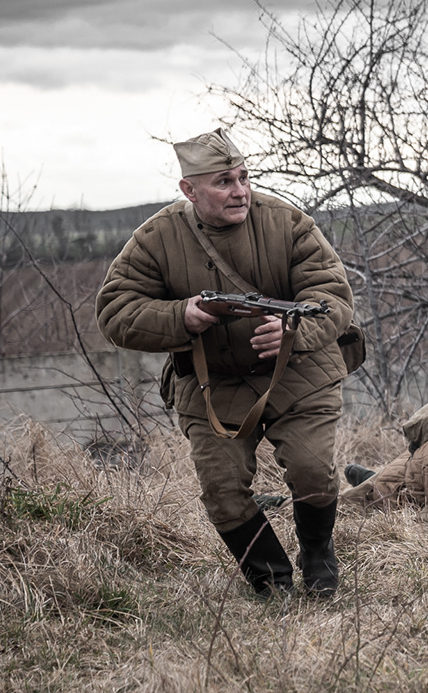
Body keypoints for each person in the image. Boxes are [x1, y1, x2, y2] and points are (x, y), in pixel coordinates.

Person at [96, 128, 357, 596]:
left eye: (243, 177)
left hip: (299, 373)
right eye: (223, 182)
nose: (240, 191)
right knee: (222, 490)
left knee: (312, 472)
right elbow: (115, 311)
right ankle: (271, 581)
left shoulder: (287, 222)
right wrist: (180, 316)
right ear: (189, 190)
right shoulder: (156, 238)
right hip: (212, 381)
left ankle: (317, 552)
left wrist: (293, 329)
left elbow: (333, 297)